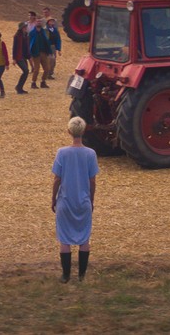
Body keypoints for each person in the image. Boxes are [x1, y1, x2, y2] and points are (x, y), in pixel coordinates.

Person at [52, 116, 99, 284]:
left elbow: (57, 179)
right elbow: (92, 181)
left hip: (65, 202)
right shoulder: (90, 154)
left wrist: (53, 199)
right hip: (83, 202)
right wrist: (91, 200)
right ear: (84, 131)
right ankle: (81, 276)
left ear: (69, 132)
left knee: (65, 239)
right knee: (84, 239)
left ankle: (65, 276)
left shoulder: (62, 153)